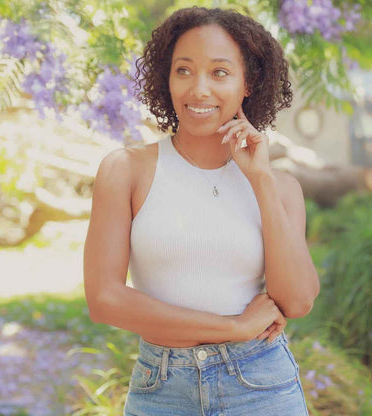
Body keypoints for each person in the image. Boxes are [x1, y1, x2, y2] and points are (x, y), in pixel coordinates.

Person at [83, 6, 320, 416]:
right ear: (167, 78)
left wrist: (260, 181)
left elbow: (296, 301)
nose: (199, 90)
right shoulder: (126, 170)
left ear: (249, 84)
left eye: (220, 73)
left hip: (261, 386)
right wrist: (232, 327)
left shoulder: (280, 187)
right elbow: (105, 299)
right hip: (162, 389)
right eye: (184, 70)